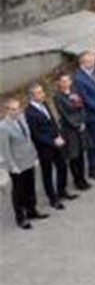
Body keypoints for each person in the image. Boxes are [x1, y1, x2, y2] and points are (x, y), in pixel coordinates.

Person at [26, 84, 73, 210]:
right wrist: (53, 141)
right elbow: (36, 134)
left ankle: (62, 190)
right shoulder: (29, 112)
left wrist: (59, 135)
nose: (43, 95)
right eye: (39, 93)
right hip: (45, 147)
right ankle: (53, 198)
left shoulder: (45, 104)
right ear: (32, 96)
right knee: (47, 172)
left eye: (42, 92)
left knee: (62, 166)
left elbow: (52, 122)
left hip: (57, 141)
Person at [0, 97, 43, 229]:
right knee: (19, 192)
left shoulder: (22, 119)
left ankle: (32, 210)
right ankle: (21, 217)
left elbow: (28, 139)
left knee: (30, 187)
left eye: (18, 108)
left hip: (28, 159)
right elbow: (5, 149)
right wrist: (12, 166)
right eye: (13, 109)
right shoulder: (3, 127)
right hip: (17, 165)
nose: (17, 111)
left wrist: (34, 155)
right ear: (6, 111)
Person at [53, 73, 93, 191]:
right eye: (63, 81)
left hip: (80, 127)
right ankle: (77, 180)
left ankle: (83, 178)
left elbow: (81, 107)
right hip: (70, 129)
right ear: (59, 83)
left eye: (67, 80)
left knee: (81, 154)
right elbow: (64, 114)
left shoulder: (74, 93)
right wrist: (76, 124)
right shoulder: (58, 97)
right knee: (73, 156)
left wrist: (82, 121)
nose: (66, 83)